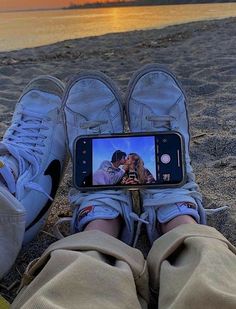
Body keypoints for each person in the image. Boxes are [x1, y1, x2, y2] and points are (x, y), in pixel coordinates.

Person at [0, 66, 235, 308]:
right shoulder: (116, 168)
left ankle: (102, 226)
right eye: (125, 161)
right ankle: (177, 220)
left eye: (131, 161)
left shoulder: (138, 170)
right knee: (210, 270)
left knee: (75, 275)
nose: (128, 163)